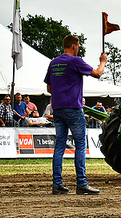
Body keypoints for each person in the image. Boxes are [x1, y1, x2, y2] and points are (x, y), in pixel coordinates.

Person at [44, 35, 107, 195]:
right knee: (80, 145)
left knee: (59, 146)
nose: (78, 48)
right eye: (78, 46)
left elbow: (49, 89)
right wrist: (103, 62)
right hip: (73, 108)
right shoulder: (75, 61)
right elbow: (97, 74)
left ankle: (57, 184)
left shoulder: (53, 63)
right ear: (74, 46)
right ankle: (81, 183)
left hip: (57, 109)